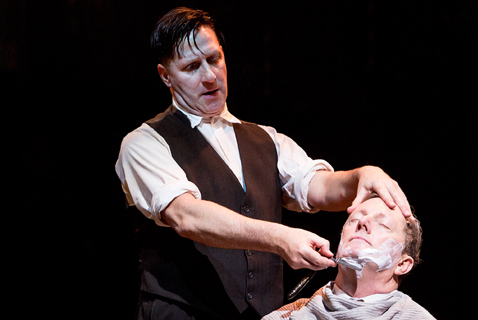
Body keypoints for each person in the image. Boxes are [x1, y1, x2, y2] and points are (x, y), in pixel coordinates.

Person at [115, 7, 411, 320]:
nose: (209, 76)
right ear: (165, 76)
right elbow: (186, 215)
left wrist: (361, 176)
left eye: (214, 59)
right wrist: (280, 237)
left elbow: (318, 186)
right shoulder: (144, 142)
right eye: (192, 67)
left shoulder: (265, 139)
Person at [262, 193, 436, 320]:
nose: (362, 222)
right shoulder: (286, 316)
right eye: (354, 219)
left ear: (402, 264)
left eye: (383, 224)